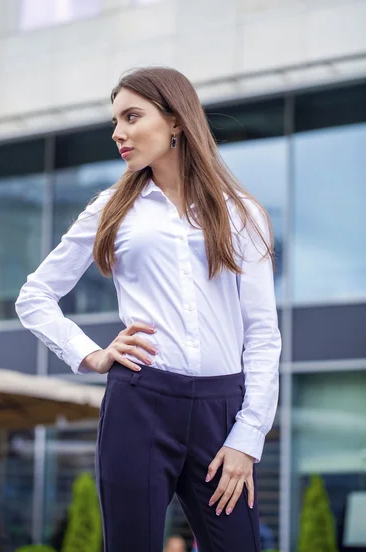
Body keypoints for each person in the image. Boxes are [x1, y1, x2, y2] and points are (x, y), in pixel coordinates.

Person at [16, 66, 281, 552]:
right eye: (115, 121)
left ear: (176, 120)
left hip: (222, 413)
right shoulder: (110, 207)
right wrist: (90, 354)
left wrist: (248, 437)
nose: (119, 132)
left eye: (132, 116)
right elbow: (34, 296)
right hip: (139, 403)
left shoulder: (242, 212)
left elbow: (262, 333)